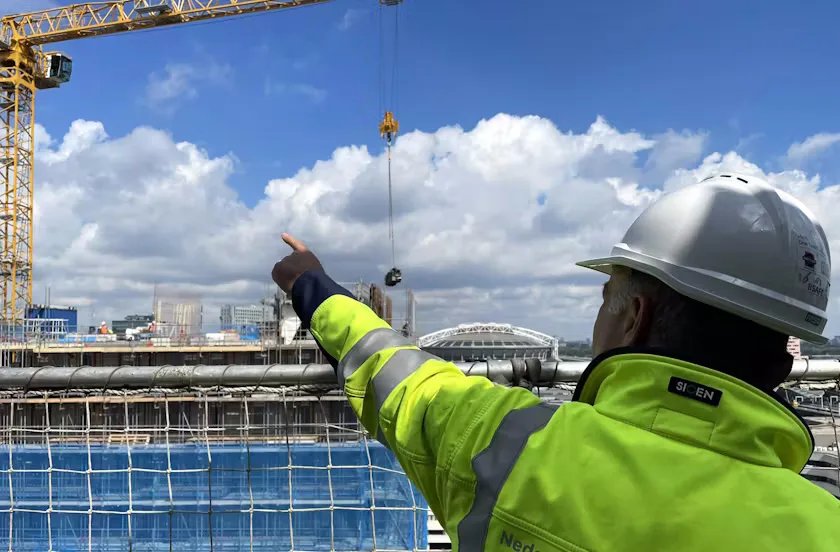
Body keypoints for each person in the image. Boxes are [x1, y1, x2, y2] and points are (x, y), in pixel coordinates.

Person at [271, 173, 840, 551]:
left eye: (604, 303)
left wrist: (313, 286)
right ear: (785, 361)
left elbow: (396, 374)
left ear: (635, 316)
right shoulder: (823, 528)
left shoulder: (510, 445)